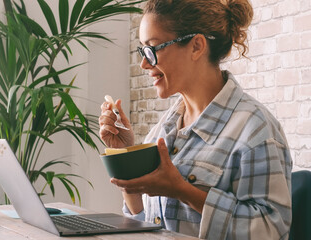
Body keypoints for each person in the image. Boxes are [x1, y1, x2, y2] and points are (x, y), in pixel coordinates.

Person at [98, 0, 292, 239]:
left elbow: (269, 231)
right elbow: (142, 223)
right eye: (143, 50)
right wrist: (126, 155)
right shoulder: (164, 128)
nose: (145, 63)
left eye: (153, 48)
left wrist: (183, 191)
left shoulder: (256, 132)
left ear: (196, 46)